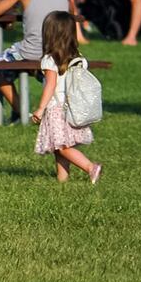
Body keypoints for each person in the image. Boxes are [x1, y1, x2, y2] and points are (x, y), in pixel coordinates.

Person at [31, 11, 103, 183]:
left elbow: (50, 85)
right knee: (60, 147)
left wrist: (40, 109)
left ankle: (90, 167)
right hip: (72, 108)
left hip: (57, 109)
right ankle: (62, 180)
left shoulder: (50, 60)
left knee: (62, 147)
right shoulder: (78, 58)